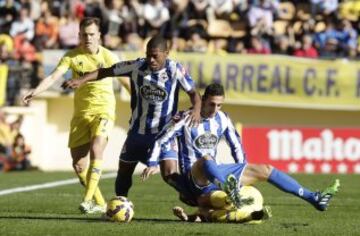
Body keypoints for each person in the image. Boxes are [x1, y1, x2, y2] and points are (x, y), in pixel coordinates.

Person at [142, 83, 340, 212]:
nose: (215, 109)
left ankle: (314, 198)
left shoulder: (223, 119)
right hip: (195, 176)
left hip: (217, 174)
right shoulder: (185, 118)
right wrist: (152, 163)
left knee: (266, 169)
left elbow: (236, 146)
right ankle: (231, 190)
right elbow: (162, 139)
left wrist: (242, 168)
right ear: (203, 99)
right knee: (207, 160)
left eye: (219, 105)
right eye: (212, 104)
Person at [62, 35, 202, 198]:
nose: (150, 59)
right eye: (148, 54)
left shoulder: (175, 70)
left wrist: (196, 110)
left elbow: (194, 92)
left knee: (170, 174)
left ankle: (198, 199)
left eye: (155, 55)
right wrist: (82, 80)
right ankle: (120, 203)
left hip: (164, 134)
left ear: (166, 53)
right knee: (124, 171)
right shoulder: (136, 66)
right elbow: (106, 71)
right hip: (137, 132)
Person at [23, 17, 130, 214]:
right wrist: (35, 91)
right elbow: (54, 76)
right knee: (80, 167)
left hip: (104, 110)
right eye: (84, 35)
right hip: (81, 114)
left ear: (99, 36)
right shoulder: (71, 56)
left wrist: (140, 104)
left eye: (91, 34)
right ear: (79, 35)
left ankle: (87, 199)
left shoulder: (110, 57)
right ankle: (100, 203)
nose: (88, 38)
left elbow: (126, 84)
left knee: (97, 147)